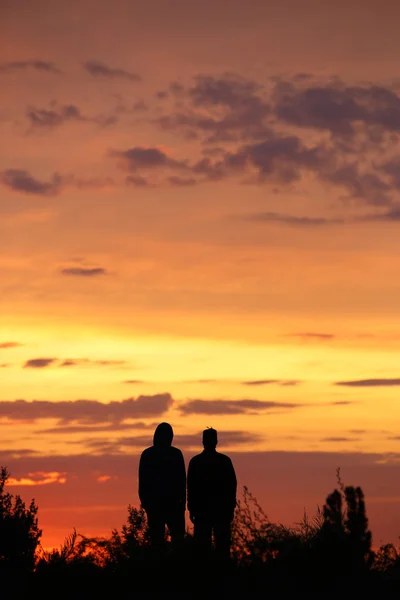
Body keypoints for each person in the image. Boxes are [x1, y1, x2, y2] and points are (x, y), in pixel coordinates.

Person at [187, 428, 237, 560]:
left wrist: (191, 508)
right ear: (216, 441)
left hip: (204, 511)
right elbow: (232, 486)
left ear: (203, 441)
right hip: (219, 510)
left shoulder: (196, 462)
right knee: (222, 548)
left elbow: (190, 487)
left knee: (204, 549)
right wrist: (231, 507)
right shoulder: (224, 461)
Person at [138, 422, 186, 547]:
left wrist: (146, 503)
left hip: (163, 505)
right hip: (168, 505)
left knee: (160, 541)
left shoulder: (148, 454)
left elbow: (182, 482)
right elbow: (182, 482)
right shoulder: (175, 454)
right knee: (172, 540)